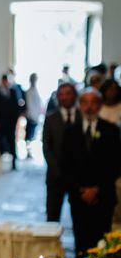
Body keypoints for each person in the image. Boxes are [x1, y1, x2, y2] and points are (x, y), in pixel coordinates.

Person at [62, 88, 121, 258]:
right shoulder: (70, 132)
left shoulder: (111, 130)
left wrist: (96, 189)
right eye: (85, 102)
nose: (89, 107)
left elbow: (116, 164)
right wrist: (80, 190)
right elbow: (65, 165)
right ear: (80, 105)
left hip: (103, 196)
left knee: (102, 243)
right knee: (80, 242)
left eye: (93, 102)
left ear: (100, 105)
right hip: (78, 197)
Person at [42, 82, 80, 222]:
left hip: (78, 177)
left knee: (79, 217)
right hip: (55, 176)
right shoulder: (51, 118)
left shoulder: (82, 116)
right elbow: (46, 148)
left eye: (68, 93)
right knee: (52, 216)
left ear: (75, 95)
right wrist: (58, 170)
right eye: (61, 94)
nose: (65, 97)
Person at [0, 74, 25, 170]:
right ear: (2, 81)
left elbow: (16, 107)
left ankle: (14, 162)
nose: (6, 83)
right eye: (4, 81)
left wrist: (15, 120)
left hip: (10, 123)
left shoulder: (13, 92)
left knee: (11, 142)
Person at [24, 72, 43, 158]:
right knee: (29, 136)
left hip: (36, 117)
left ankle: (29, 152)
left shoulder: (36, 91)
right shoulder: (28, 92)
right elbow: (29, 105)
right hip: (31, 117)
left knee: (32, 136)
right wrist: (32, 116)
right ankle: (28, 152)